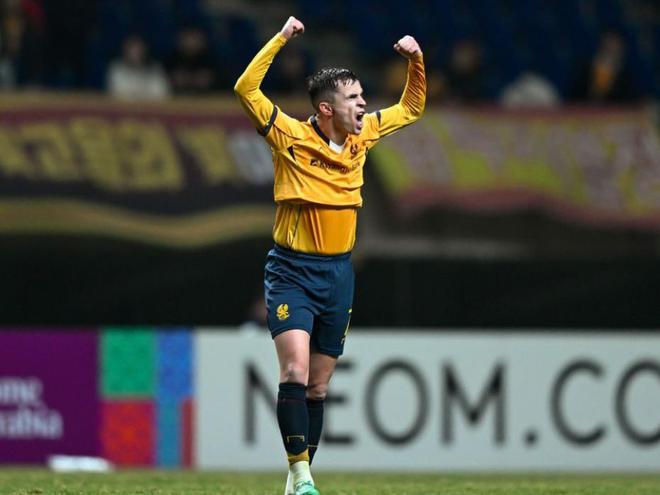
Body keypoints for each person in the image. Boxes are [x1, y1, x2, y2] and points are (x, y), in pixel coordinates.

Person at [234, 16, 425, 495]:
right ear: (325, 108)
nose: (363, 104)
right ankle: (302, 475)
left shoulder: (364, 136)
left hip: (338, 273)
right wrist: (280, 39)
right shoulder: (289, 138)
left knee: (318, 386)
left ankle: (298, 474)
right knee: (295, 370)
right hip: (292, 271)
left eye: (362, 96)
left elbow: (412, 107)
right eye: (352, 98)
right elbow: (245, 88)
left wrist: (416, 62)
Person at [106, 35, 169, 101]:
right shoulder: (116, 68)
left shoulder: (156, 68)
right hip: (123, 106)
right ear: (125, 51)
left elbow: (162, 93)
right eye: (132, 49)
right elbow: (117, 93)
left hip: (151, 106)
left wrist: (137, 94)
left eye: (139, 49)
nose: (136, 52)